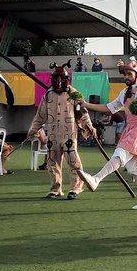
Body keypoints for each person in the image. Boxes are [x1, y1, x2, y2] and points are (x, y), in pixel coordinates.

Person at [76, 59, 137, 209]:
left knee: (120, 154)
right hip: (130, 128)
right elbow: (109, 107)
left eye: (129, 74)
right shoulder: (123, 93)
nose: (126, 77)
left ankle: (96, 179)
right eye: (125, 74)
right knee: (135, 168)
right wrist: (86, 104)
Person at [26, 62, 94, 200]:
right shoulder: (48, 95)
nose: (58, 82)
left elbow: (83, 112)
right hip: (52, 133)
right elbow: (41, 115)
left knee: (73, 161)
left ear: (66, 79)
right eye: (55, 79)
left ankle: (76, 187)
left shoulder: (74, 94)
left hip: (69, 134)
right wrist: (33, 129)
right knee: (52, 162)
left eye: (61, 79)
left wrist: (89, 126)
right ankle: (56, 189)